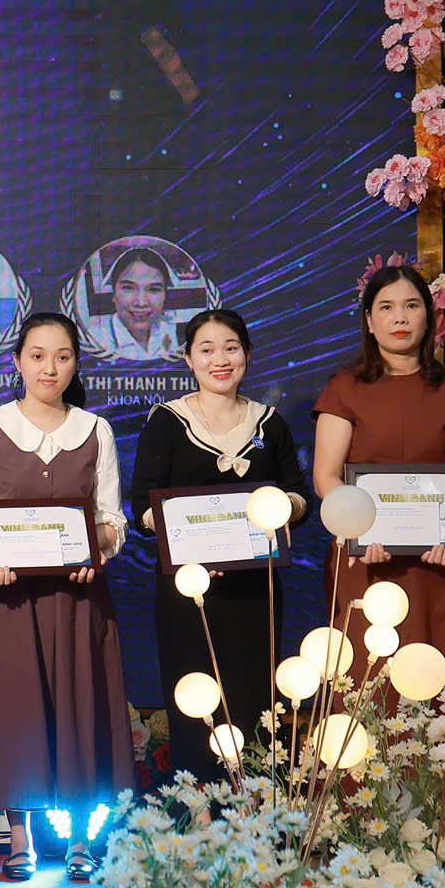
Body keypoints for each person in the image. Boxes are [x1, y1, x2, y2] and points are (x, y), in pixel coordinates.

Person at [0, 313, 129, 882]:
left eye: (62, 357)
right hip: (9, 600)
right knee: (15, 715)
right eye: (37, 355)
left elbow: (113, 520)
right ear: (17, 361)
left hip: (77, 601)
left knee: (80, 709)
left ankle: (80, 844)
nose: (49, 368)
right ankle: (20, 843)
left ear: (76, 364)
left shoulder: (95, 430)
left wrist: (97, 547)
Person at [129, 308, 309, 779]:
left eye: (230, 348)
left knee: (255, 695)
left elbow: (299, 496)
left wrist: (280, 508)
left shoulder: (269, 424)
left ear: (247, 353)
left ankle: (256, 804)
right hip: (189, 592)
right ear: (188, 359)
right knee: (196, 696)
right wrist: (188, 546)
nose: (220, 360)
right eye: (206, 350)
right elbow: (142, 506)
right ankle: (199, 806)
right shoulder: (167, 421)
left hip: (256, 592)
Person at [313, 264, 445, 691]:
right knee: (368, 683)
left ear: (429, 317)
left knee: (444, 682)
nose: (400, 318)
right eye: (386, 307)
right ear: (369, 321)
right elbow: (326, 476)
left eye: (411, 306)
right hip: (366, 559)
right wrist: (360, 529)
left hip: (443, 562)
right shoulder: (344, 389)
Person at [86, 246, 183, 361]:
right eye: (128, 288)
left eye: (154, 289)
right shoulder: (93, 339)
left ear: (165, 295)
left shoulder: (171, 333)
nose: (141, 302)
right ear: (113, 293)